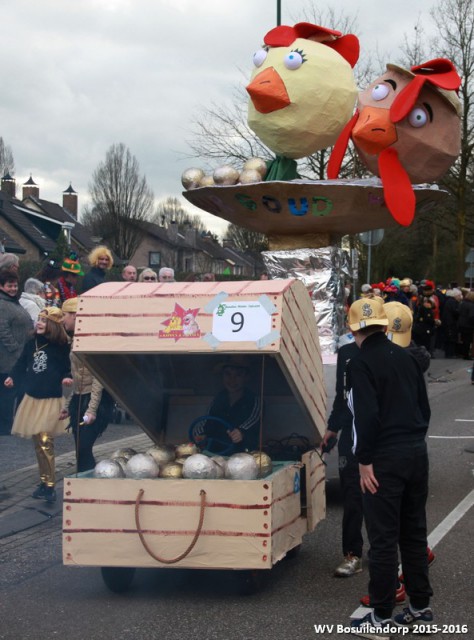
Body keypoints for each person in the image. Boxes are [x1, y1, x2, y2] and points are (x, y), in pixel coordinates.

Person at [346, 298, 433, 636]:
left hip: (383, 456)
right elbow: (423, 408)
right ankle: (419, 605)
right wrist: (415, 439)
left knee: (382, 538)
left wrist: (364, 460)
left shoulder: (360, 362)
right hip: (415, 451)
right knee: (413, 531)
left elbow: (364, 416)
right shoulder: (408, 358)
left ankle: (381, 614)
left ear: (353, 329)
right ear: (385, 325)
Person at [5, 307, 72, 503]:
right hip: (32, 399)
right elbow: (21, 364)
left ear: (53, 324)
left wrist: (67, 378)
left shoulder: (60, 347)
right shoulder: (31, 343)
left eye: (44, 320)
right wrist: (12, 377)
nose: (39, 323)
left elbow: (67, 367)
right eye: (39, 319)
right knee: (38, 444)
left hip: (49, 400)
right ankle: (44, 481)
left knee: (45, 442)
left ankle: (50, 485)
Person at [61, 298, 115, 472]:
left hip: (94, 402)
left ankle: (91, 479)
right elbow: (78, 378)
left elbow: (97, 378)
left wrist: (91, 410)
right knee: (80, 449)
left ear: (76, 316)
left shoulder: (90, 340)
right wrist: (68, 405)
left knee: (84, 446)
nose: (62, 320)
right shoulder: (75, 339)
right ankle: (86, 479)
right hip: (79, 400)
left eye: (64, 315)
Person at [191, 355, 261, 454]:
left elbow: (252, 422)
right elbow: (206, 420)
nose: (232, 380)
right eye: (228, 374)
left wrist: (240, 432)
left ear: (246, 378)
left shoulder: (253, 400)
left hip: (242, 453)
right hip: (215, 452)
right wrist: (200, 434)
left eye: (238, 375)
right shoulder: (218, 398)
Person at [0, 270, 34, 435]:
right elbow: (3, 330)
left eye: (15, 285)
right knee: (8, 394)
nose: (13, 288)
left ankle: (15, 424)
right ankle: (5, 427)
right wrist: (15, 348)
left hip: (19, 356)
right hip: (9, 358)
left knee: (17, 391)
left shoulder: (13, 301)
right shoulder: (2, 304)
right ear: (1, 286)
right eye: (9, 285)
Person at [458, 291, 474, 360]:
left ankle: (463, 353)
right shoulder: (471, 305)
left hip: (461, 323)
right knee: (468, 340)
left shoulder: (462, 303)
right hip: (468, 325)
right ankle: (466, 355)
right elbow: (471, 316)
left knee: (464, 339)